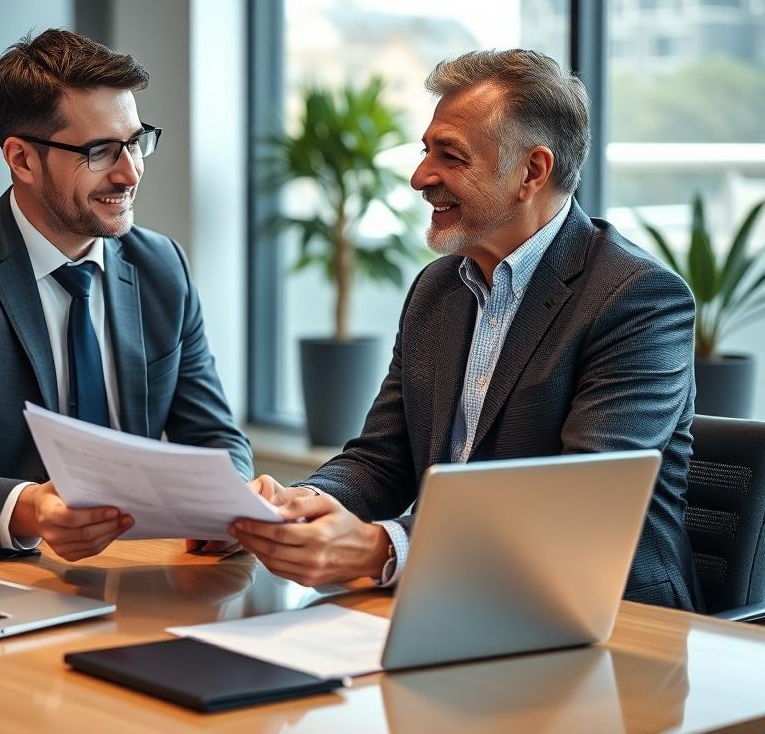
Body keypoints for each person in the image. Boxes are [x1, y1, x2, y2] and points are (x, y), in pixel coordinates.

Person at [232, 49, 703, 612]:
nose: (419, 177)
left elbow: (578, 504)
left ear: (532, 171)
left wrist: (382, 547)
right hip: (453, 603)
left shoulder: (637, 298)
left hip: (607, 618)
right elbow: (384, 458)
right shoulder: (438, 288)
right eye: (425, 151)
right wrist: (298, 502)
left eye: (450, 157)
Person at [0, 29, 252, 562]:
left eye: (136, 141)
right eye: (99, 151)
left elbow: (215, 438)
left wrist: (230, 507)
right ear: (22, 160)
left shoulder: (162, 266)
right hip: (15, 576)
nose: (130, 171)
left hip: (147, 577)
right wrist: (32, 508)